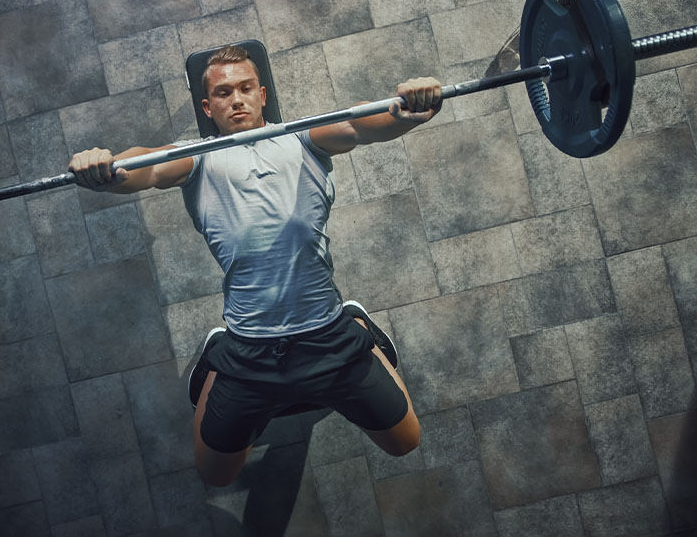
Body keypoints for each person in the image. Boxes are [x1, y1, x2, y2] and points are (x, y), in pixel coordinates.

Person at [69, 45, 442, 487]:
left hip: (328, 337)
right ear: (208, 108)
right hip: (251, 350)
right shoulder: (198, 157)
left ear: (263, 95)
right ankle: (216, 355)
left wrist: (410, 109)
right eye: (224, 93)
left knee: (406, 442)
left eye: (246, 88)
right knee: (215, 475)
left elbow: (360, 123)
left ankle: (357, 326)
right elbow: (144, 168)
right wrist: (105, 170)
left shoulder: (302, 137)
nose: (237, 99)